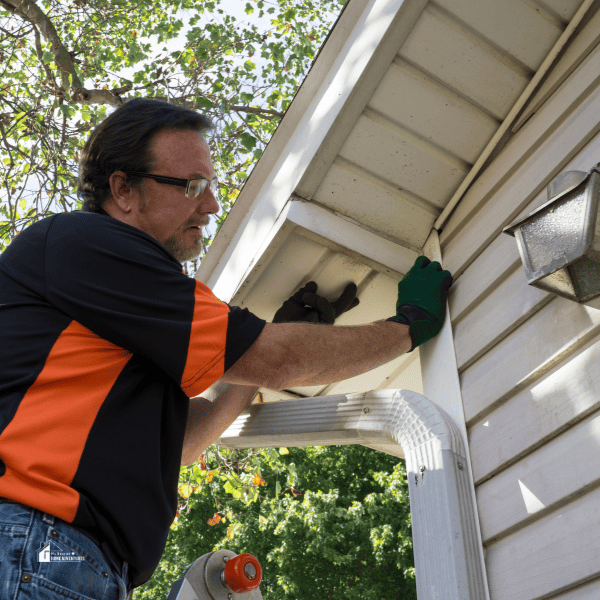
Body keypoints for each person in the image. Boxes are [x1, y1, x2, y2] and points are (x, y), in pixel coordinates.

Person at [0, 98, 452, 599]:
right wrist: (407, 326)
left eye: (211, 186)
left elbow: (182, 446)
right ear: (123, 189)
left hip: (62, 556)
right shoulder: (83, 244)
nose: (211, 205)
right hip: (37, 541)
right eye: (191, 186)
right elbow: (276, 359)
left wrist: (254, 364)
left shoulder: (114, 327)